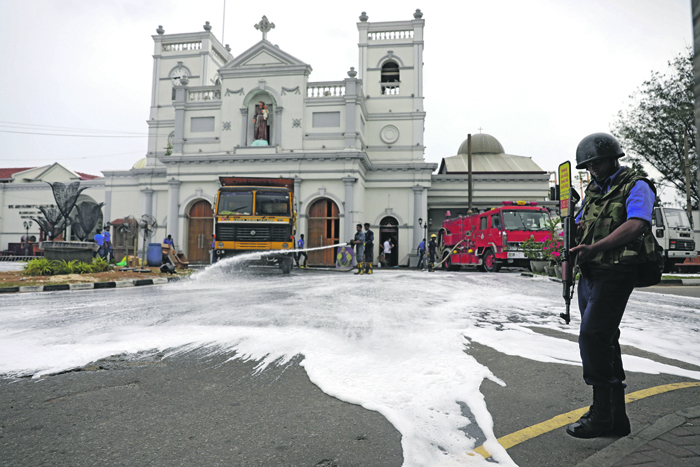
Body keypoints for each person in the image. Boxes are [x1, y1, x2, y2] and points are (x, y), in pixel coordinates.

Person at [565, 133, 655, 439]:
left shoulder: (636, 185)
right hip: (590, 272)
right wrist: (574, 231)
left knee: (592, 335)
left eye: (598, 162)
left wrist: (596, 247)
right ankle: (617, 419)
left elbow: (637, 223)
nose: (594, 169)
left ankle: (602, 414)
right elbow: (582, 223)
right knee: (604, 339)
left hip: (616, 272)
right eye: (589, 166)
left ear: (614, 157)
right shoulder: (592, 191)